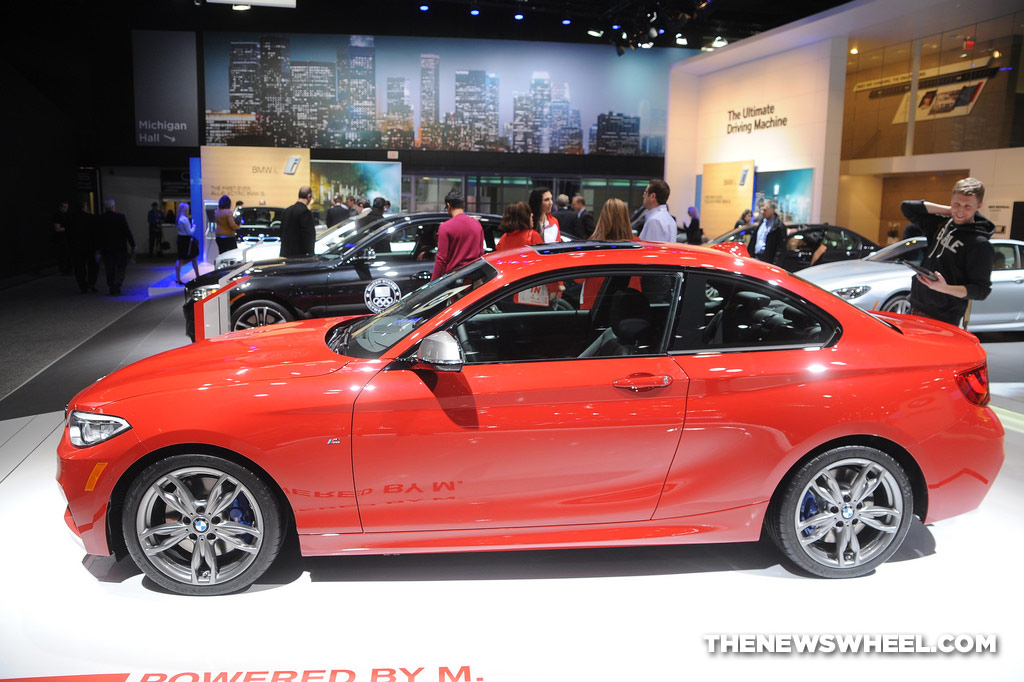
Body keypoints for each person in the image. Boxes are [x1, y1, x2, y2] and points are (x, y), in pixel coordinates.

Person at [901, 177, 994, 327]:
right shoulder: (941, 225)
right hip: (915, 307)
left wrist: (945, 289)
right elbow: (907, 207)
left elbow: (981, 290)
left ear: (979, 205)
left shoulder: (979, 244)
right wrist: (949, 211)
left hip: (943, 318)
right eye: (956, 204)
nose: (960, 211)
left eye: (968, 206)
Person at [432, 189, 484, 280]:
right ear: (463, 205)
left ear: (448, 205)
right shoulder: (477, 224)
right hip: (474, 278)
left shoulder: (445, 227)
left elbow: (441, 259)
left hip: (454, 279)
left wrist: (432, 283)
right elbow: (481, 253)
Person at [98, 198, 135, 296]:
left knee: (109, 267)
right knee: (121, 267)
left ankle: (111, 285)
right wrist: (133, 244)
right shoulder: (120, 217)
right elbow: (127, 231)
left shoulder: (101, 218)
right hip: (120, 247)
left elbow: (98, 234)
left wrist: (98, 248)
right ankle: (117, 284)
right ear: (113, 206)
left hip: (107, 247)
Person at [68, 200, 99, 293]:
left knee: (79, 267)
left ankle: (82, 285)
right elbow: (95, 233)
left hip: (77, 246)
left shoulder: (72, 218)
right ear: (85, 206)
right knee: (92, 266)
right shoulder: (91, 218)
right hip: (90, 246)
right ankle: (91, 283)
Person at [279, 186, 316, 258]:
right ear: (309, 196)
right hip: (300, 256)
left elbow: (281, 232)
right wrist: (311, 254)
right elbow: (309, 236)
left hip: (285, 254)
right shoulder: (305, 212)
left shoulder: (287, 211)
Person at [749, 199, 787, 264]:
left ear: (772, 210)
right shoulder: (761, 223)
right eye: (762, 209)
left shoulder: (778, 226)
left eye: (765, 210)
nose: (762, 212)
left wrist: (775, 265)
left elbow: (780, 249)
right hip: (755, 258)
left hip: (767, 262)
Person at [174, 203, 200, 285]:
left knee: (179, 259)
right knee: (194, 258)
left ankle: (178, 278)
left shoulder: (178, 219)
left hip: (180, 239)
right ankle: (198, 276)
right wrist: (194, 226)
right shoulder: (185, 220)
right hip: (187, 241)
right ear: (185, 210)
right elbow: (189, 232)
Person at [53, 200, 72, 274]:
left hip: (67, 238)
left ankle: (68, 269)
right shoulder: (57, 215)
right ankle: (63, 270)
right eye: (64, 207)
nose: (66, 209)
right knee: (63, 254)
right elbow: (57, 228)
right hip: (61, 239)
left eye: (67, 207)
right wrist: (68, 229)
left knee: (68, 254)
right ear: (60, 207)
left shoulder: (68, 215)